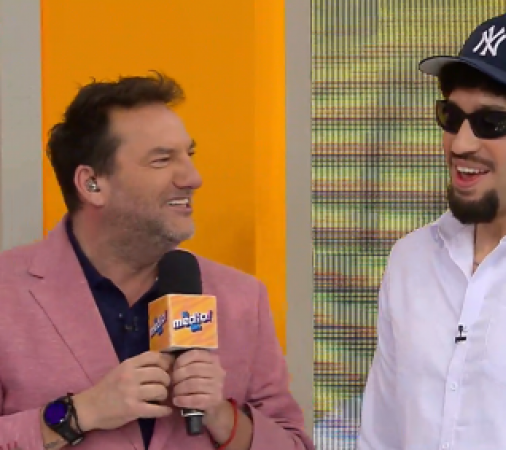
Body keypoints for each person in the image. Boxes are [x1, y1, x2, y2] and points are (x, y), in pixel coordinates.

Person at [0, 73, 314, 450]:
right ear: (92, 184)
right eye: (162, 160)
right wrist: (81, 413)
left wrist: (220, 414)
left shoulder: (242, 298)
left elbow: (294, 444)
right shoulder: (8, 292)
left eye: (189, 155)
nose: (193, 178)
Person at [357, 13, 506, 450]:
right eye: (451, 116)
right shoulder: (411, 259)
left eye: (492, 122)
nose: (460, 143)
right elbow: (382, 435)